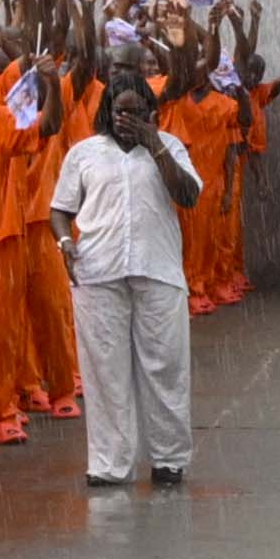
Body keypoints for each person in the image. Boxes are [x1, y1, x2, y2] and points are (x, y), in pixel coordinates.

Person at [53, 45, 204, 489]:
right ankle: (109, 463)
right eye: (121, 111)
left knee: (165, 367)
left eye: (139, 112)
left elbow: (189, 195)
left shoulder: (170, 146)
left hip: (158, 272)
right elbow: (60, 208)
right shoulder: (84, 154)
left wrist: (154, 142)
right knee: (105, 371)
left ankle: (169, 458)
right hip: (97, 274)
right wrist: (64, 240)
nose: (129, 119)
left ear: (151, 113)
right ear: (107, 111)